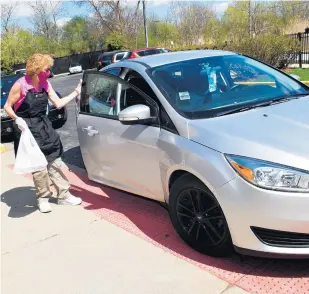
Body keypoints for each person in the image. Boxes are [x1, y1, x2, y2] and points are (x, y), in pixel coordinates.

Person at [4, 53, 82, 213]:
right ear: (36, 70)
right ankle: (43, 198)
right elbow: (7, 106)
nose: (49, 72)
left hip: (43, 126)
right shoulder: (21, 85)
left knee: (53, 161)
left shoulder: (46, 84)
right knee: (39, 166)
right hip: (27, 129)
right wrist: (17, 119)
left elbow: (58, 103)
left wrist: (76, 92)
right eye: (47, 69)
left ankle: (64, 195)